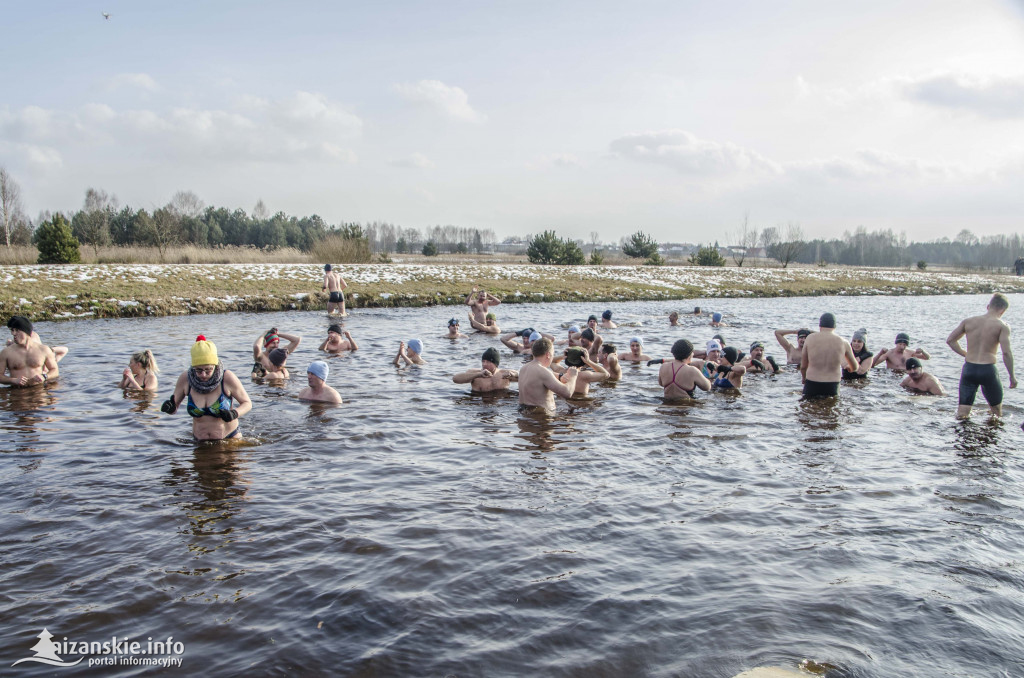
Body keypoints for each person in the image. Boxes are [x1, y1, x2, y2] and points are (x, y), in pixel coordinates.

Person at [161, 335, 251, 440]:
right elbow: (174, 408)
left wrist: (234, 413)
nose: (203, 374)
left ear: (215, 365)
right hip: (200, 441)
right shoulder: (186, 379)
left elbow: (247, 403)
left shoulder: (227, 377)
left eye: (208, 370)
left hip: (229, 438)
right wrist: (170, 408)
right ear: (193, 367)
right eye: (198, 370)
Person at [946, 292, 1017, 418]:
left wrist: (966, 354)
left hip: (969, 369)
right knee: (996, 413)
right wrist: (1012, 377)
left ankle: (962, 436)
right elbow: (1006, 353)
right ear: (1003, 311)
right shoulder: (1002, 326)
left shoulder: (968, 321)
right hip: (988, 370)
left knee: (962, 413)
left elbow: (950, 341)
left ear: (988, 306)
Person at [800, 313, 858, 398]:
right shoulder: (843, 342)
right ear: (834, 326)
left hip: (812, 382)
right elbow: (855, 367)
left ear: (820, 325)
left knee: (808, 409)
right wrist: (850, 368)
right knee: (831, 408)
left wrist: (804, 378)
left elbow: (803, 366)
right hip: (832, 385)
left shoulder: (810, 339)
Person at [517, 338, 578, 410]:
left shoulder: (524, 368)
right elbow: (567, 393)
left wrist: (560, 376)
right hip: (541, 417)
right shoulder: (543, 372)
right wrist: (573, 376)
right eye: (553, 354)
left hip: (524, 413)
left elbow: (540, 377)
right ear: (548, 354)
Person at [1, 316, 60, 387]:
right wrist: (13, 380)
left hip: (39, 390)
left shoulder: (44, 349)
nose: (13, 333)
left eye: (17, 330)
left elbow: (55, 370)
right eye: (12, 330)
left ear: (26, 331)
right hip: (18, 392)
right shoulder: (6, 353)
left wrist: (44, 376)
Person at [452, 347, 519, 392]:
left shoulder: (504, 374)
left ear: (495, 364)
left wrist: (514, 374)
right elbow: (455, 379)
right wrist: (478, 375)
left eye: (488, 362)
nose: (484, 364)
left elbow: (526, 377)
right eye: (483, 361)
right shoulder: (474, 373)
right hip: (479, 405)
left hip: (498, 406)